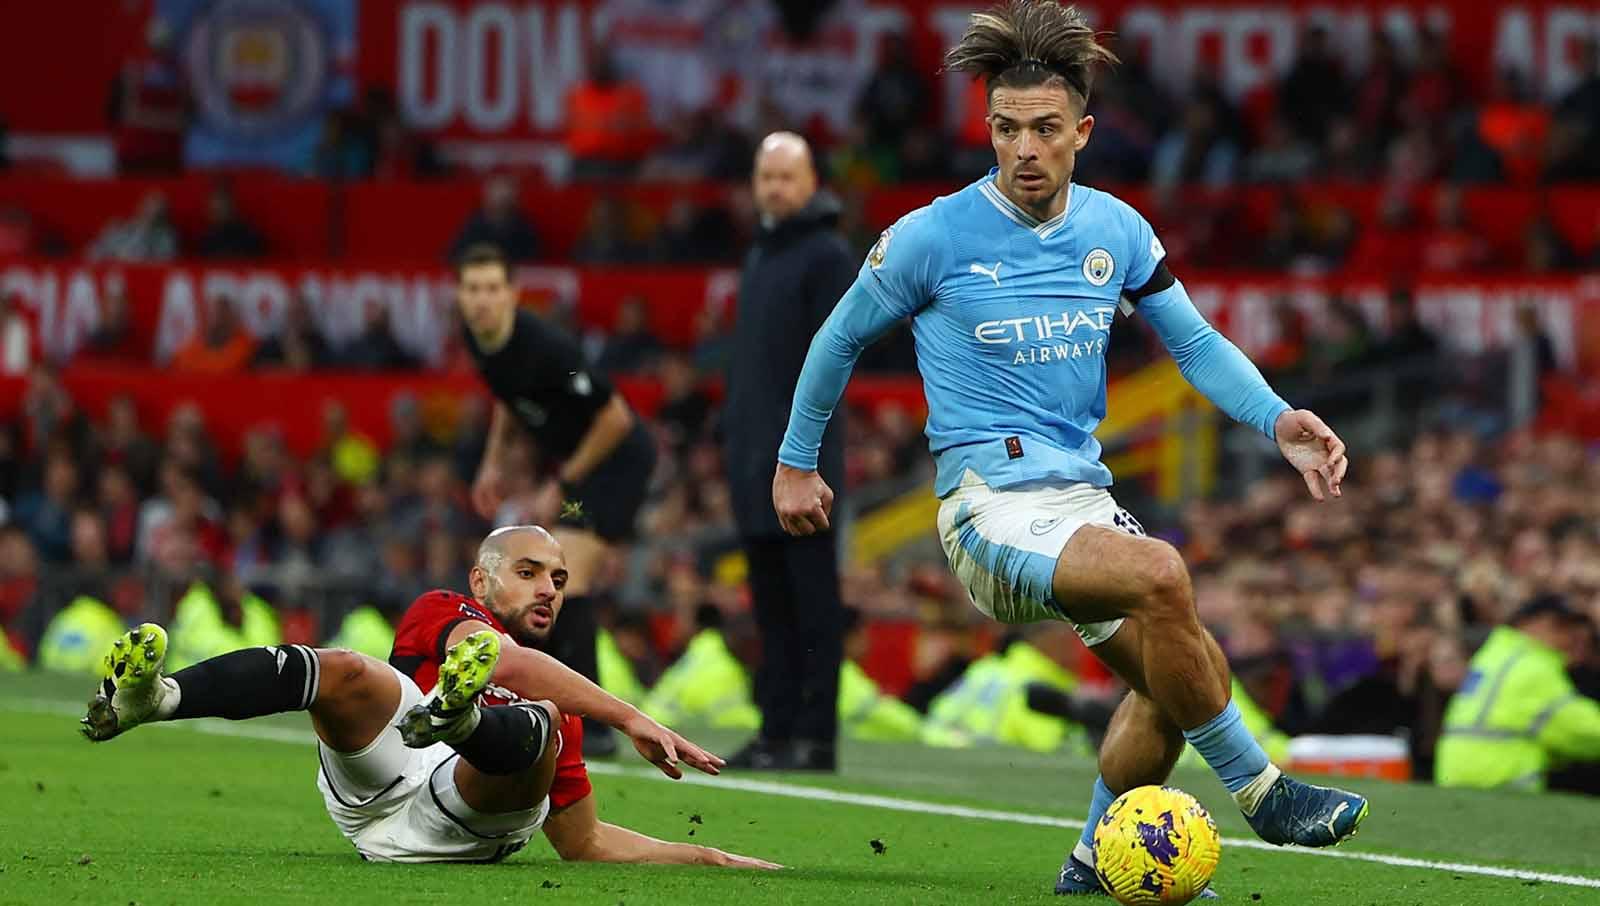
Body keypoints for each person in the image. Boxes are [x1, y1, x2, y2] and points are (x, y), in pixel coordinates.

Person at [771, 1, 1365, 896]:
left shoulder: (1116, 231)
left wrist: (1279, 420)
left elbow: (1196, 345)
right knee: (1164, 576)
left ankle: (1090, 862)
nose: (1025, 150)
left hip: (1081, 503)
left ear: (1082, 132)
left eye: (1046, 129)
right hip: (988, 510)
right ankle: (1263, 792)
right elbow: (837, 338)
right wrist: (795, 460)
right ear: (989, 129)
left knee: (1177, 675)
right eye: (1007, 129)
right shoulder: (934, 235)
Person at [82, 525, 779, 869]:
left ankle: (467, 717)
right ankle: (159, 699)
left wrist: (711, 859)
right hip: (379, 783)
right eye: (530, 573)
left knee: (540, 717)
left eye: (560, 580)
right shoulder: (441, 611)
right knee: (351, 670)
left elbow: (585, 842)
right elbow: (508, 659)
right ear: (481, 584)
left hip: (459, 823)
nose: (548, 590)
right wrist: (629, 715)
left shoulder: (556, 691)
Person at [458, 243, 657, 757]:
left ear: (512, 294)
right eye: (473, 289)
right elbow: (506, 398)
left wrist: (562, 484)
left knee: (570, 576)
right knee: (556, 572)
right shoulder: (481, 341)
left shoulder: (547, 348)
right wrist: (492, 462)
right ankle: (569, 713)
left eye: (492, 289)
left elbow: (616, 419)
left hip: (614, 464)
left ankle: (591, 726)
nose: (482, 300)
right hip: (575, 473)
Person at [722, 132, 855, 772]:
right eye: (765, 176)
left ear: (810, 182)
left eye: (785, 177)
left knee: (811, 602)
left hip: (805, 463)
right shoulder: (761, 253)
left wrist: (809, 456)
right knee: (771, 605)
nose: (773, 188)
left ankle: (814, 736)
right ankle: (776, 730)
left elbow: (837, 358)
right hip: (753, 459)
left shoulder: (826, 255)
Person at [1436, 596, 1600, 791]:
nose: (1569, 636)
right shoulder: (1533, 666)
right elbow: (1584, 732)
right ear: (1527, 623)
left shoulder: (1494, 654)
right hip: (1501, 783)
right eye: (1558, 626)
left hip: (1456, 776)